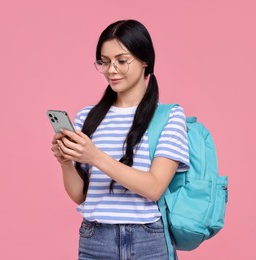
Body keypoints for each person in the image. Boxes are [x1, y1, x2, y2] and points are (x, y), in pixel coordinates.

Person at [51, 19, 190, 260]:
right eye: (104, 62)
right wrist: (65, 162)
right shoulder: (87, 117)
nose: (111, 70)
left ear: (145, 60)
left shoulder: (168, 117)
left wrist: (96, 157)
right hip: (95, 238)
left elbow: (154, 188)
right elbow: (81, 195)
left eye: (121, 61)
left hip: (148, 239)